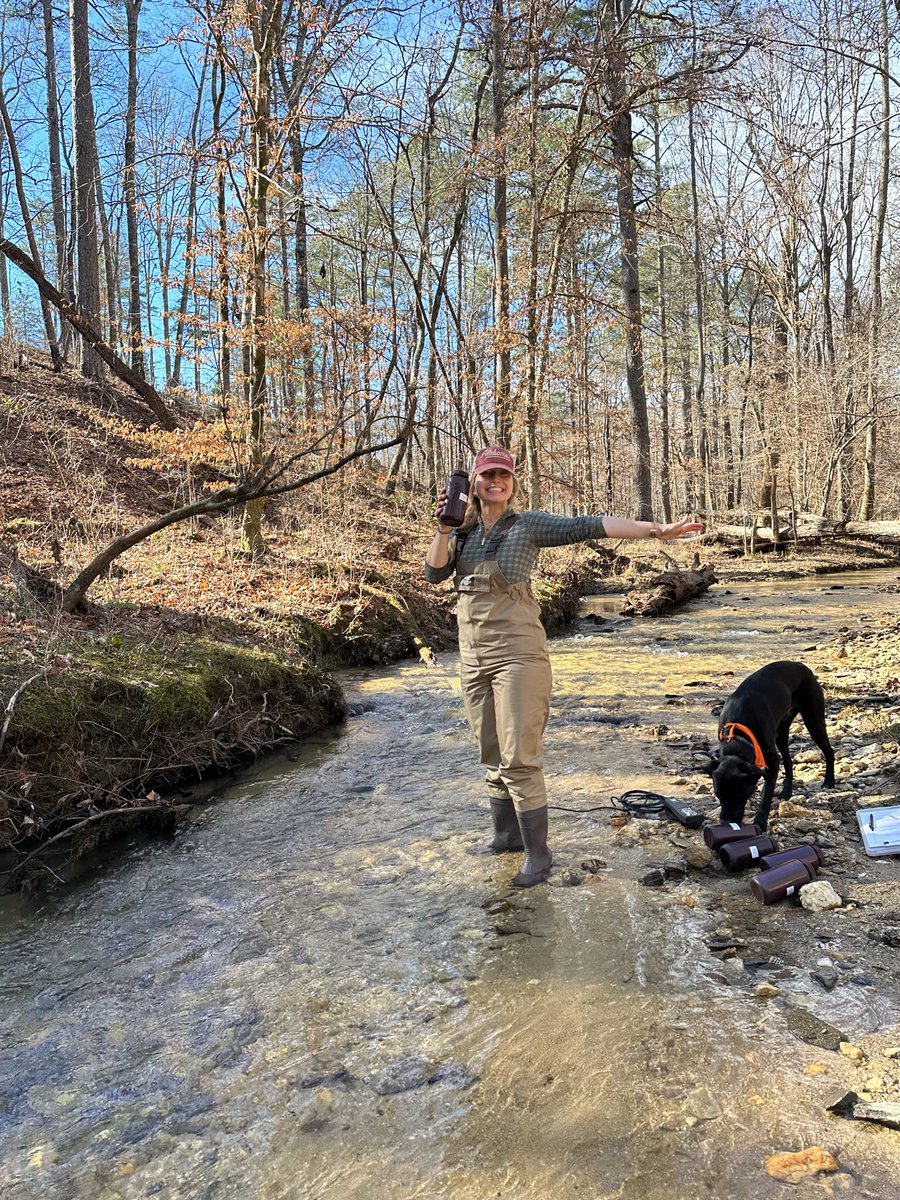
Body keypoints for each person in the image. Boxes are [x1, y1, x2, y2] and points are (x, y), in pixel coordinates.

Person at [424, 445, 703, 887]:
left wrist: (656, 530)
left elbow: (588, 524)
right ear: (473, 484)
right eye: (487, 475)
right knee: (491, 755)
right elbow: (434, 574)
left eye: (504, 476)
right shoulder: (461, 532)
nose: (495, 481)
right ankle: (505, 840)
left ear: (512, 485)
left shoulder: (529, 525)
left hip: (519, 655)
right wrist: (443, 527)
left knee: (519, 759)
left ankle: (539, 855)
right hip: (473, 657)